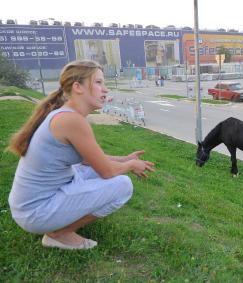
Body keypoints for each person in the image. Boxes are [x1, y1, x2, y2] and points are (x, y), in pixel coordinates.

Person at [7, 60, 154, 250]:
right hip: (35, 212)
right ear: (78, 87)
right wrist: (132, 166)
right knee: (122, 185)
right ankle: (59, 234)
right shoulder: (72, 120)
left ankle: (59, 227)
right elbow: (107, 172)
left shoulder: (66, 115)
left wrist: (124, 159)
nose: (105, 89)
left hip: (28, 207)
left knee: (86, 168)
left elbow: (89, 159)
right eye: (99, 83)